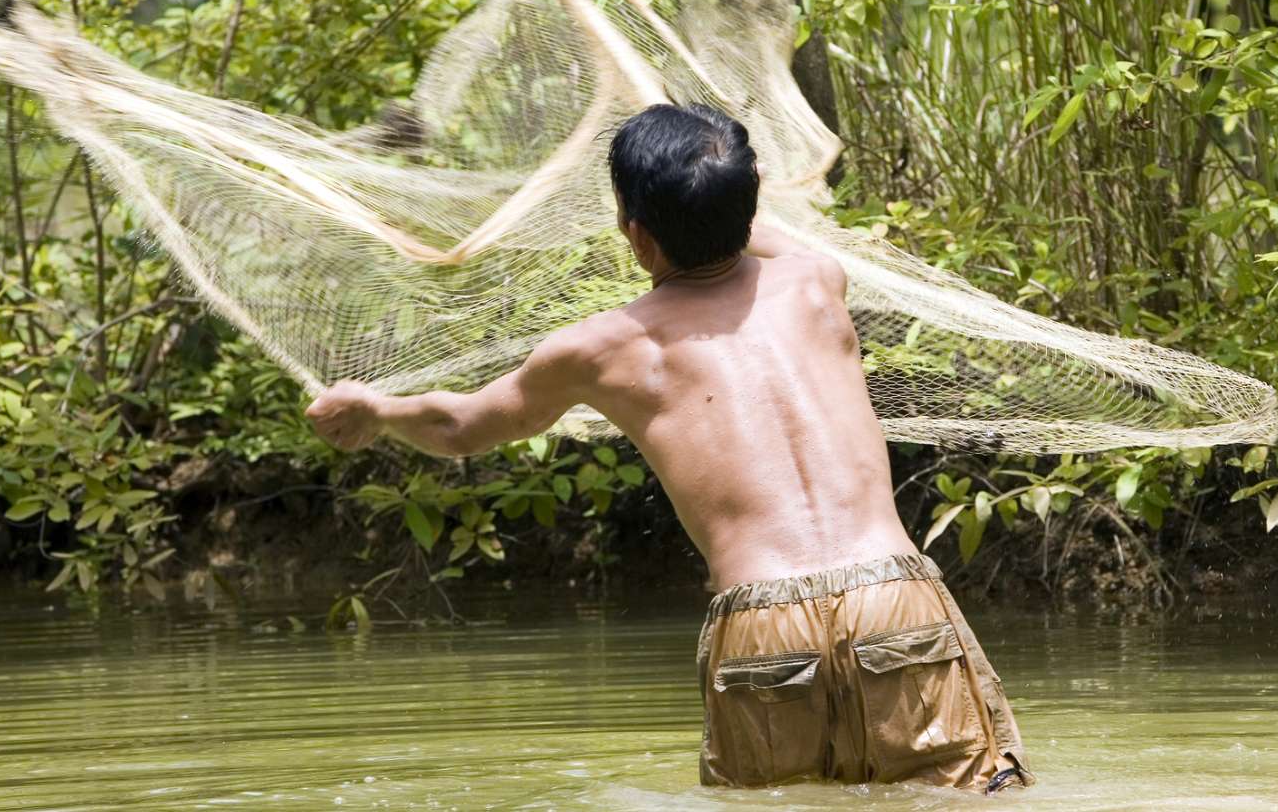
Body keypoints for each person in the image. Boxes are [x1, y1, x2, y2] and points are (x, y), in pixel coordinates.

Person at [305, 103, 1030, 792]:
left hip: (760, 624)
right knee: (973, 794)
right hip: (893, 597)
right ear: (748, 201)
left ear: (637, 235)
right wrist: (719, 185)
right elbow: (756, 231)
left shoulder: (602, 349)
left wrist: (376, 409)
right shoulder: (817, 283)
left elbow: (460, 427)